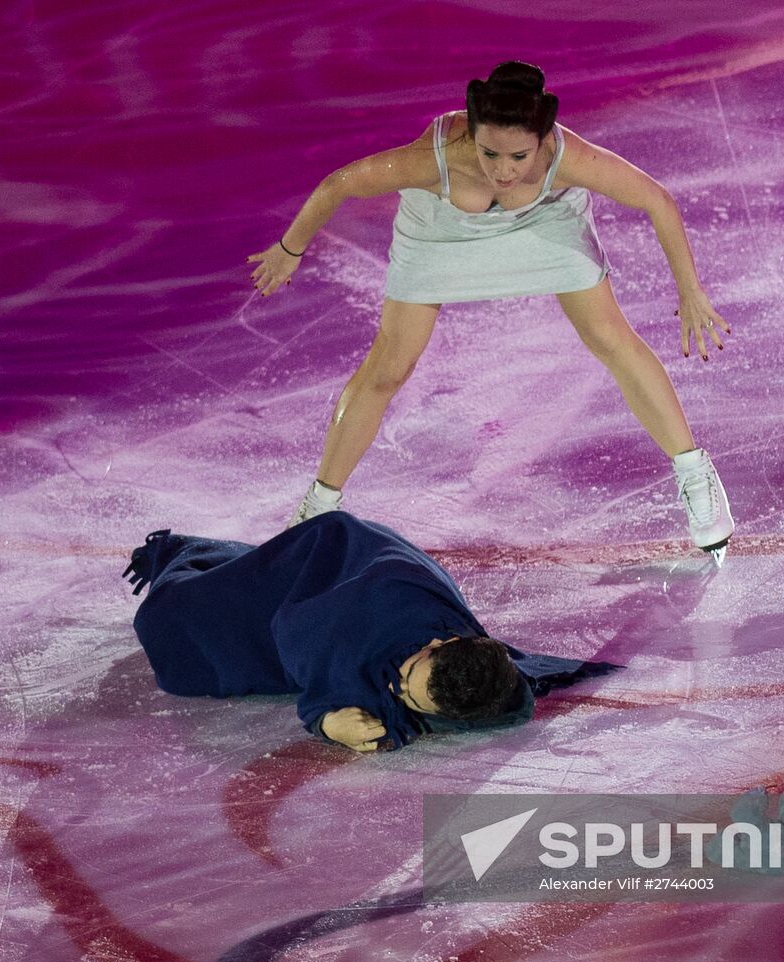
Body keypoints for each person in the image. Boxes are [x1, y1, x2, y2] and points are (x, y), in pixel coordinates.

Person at [247, 60, 736, 563]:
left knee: (610, 337)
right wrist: (290, 249)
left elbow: (657, 200)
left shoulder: (571, 160)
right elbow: (338, 185)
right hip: (440, 231)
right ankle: (318, 507)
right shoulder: (432, 160)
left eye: (518, 155)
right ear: (472, 136)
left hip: (544, 221)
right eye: (489, 152)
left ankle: (695, 475)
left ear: (544, 140)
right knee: (389, 367)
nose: (502, 170)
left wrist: (690, 291)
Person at [123, 512, 617, 751]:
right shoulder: (343, 627)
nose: (398, 689)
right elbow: (304, 648)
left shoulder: (474, 660)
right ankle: (187, 555)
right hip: (304, 581)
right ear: (439, 644)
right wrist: (327, 721)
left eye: (411, 697)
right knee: (171, 625)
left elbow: (506, 705)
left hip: (360, 567)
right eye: (407, 678)